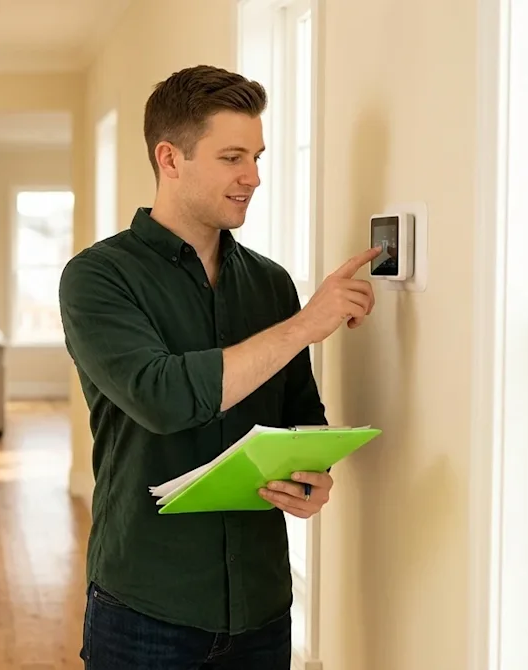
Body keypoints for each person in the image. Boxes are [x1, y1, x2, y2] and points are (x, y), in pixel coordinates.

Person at [59, 64, 379, 669]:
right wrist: (308, 323)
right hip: (145, 608)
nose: (253, 177)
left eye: (257, 156)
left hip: (262, 607)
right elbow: (163, 398)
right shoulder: (97, 278)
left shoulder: (270, 283)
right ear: (170, 158)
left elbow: (301, 419)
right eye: (233, 156)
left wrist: (312, 479)